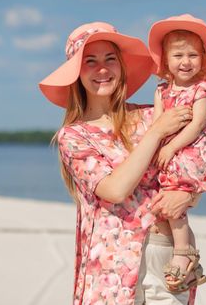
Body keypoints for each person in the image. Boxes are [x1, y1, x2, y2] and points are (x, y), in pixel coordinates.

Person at [38, 21, 196, 305]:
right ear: (77, 73)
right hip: (111, 263)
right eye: (90, 61)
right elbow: (115, 189)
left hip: (166, 252)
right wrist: (158, 131)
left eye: (110, 59)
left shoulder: (152, 114)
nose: (102, 69)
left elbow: (196, 160)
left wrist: (187, 193)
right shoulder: (74, 136)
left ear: (121, 66)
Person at [147, 14, 206, 293]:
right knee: (169, 209)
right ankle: (191, 256)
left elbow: (197, 125)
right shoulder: (161, 91)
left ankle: (181, 251)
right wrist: (156, 146)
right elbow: (157, 123)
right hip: (170, 153)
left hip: (192, 153)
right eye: (178, 54)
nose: (185, 61)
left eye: (193, 55)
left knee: (174, 201)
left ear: (203, 60)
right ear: (166, 60)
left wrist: (170, 146)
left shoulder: (200, 90)